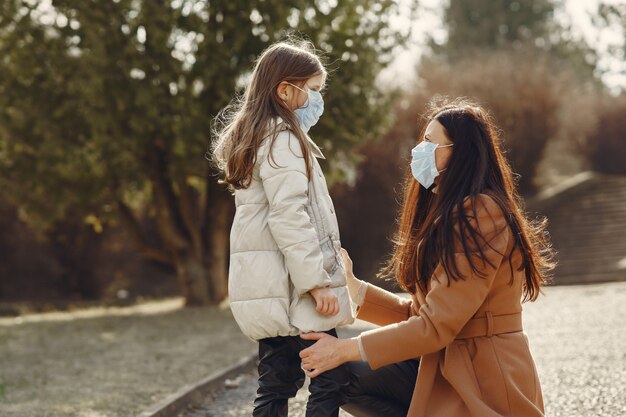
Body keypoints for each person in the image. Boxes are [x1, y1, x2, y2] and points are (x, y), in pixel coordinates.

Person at [299, 97, 555, 417]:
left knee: (341, 369)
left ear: (460, 153)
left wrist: (344, 350)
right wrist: (354, 287)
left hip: (481, 375)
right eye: (423, 139)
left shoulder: (480, 212)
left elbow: (435, 326)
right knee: (340, 375)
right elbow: (421, 314)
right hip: (449, 363)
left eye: (430, 142)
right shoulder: (450, 211)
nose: (420, 149)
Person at [212, 40, 356, 417]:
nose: (317, 100)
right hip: (297, 288)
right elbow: (289, 215)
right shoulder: (282, 140)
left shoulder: (257, 136)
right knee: (330, 377)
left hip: (270, 284)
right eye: (314, 90)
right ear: (285, 90)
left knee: (276, 384)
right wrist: (316, 282)